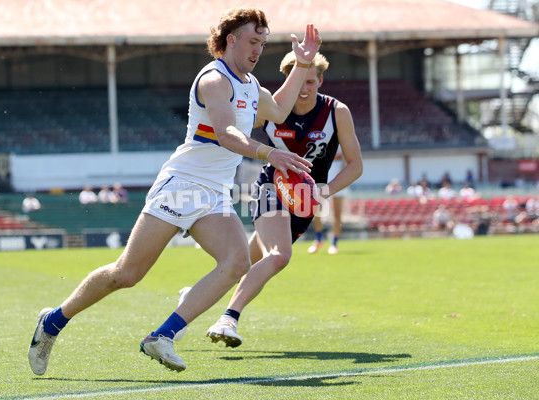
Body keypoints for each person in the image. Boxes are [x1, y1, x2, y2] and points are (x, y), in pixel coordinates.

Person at [27, 8, 321, 375]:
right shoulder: (215, 80)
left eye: (262, 43)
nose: (258, 49)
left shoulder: (250, 85)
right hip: (182, 185)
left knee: (236, 262)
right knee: (127, 274)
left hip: (214, 191)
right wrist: (269, 153)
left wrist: (302, 64)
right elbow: (228, 134)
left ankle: (162, 336)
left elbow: (277, 111)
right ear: (230, 39)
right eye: (252, 41)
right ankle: (52, 322)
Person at [197, 50, 362, 348]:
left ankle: (192, 296)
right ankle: (228, 318)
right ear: (289, 79)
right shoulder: (269, 110)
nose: (304, 88)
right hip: (270, 187)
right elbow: (232, 134)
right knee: (279, 255)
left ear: (320, 81)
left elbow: (355, 165)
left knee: (246, 261)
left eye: (311, 81)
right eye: (298, 80)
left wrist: (322, 191)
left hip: (305, 200)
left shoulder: (337, 112)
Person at [307, 147, 350, 254]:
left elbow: (348, 156)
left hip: (338, 173)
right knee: (316, 208)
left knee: (337, 213)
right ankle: (319, 238)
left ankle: (334, 243)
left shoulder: (342, 134)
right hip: (322, 171)